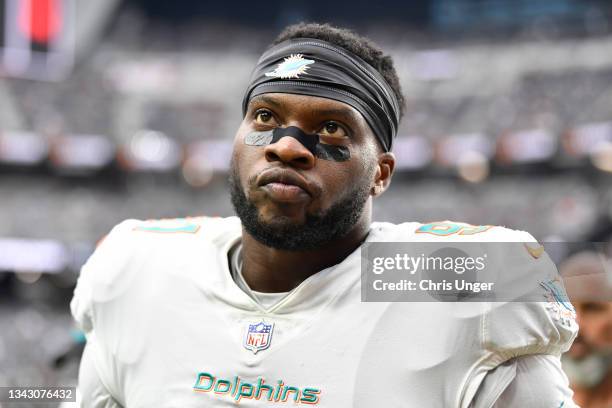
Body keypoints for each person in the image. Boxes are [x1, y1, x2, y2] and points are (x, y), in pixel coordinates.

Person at [71, 23, 579, 407]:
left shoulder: (447, 282)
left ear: (381, 173)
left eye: (332, 128)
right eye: (266, 117)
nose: (287, 146)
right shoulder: (143, 267)